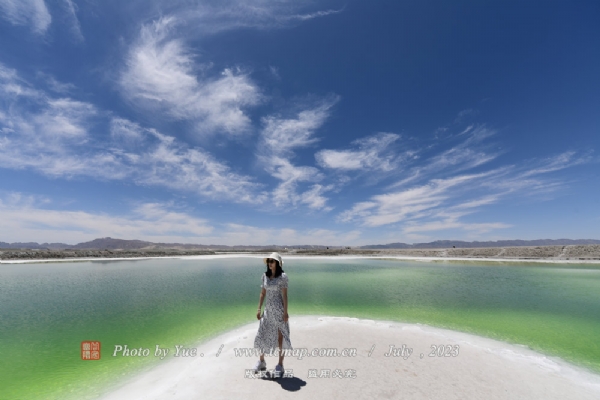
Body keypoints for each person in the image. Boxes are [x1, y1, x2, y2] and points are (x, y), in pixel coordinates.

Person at [252, 252, 291, 378]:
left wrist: (285, 312)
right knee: (262, 334)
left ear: (277, 264)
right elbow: (262, 293)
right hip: (268, 312)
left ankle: (280, 365)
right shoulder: (265, 276)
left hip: (279, 312)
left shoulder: (283, 277)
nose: (270, 263)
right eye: (269, 261)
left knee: (281, 339)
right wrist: (259, 309)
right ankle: (262, 362)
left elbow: (284, 296)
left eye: (272, 261)